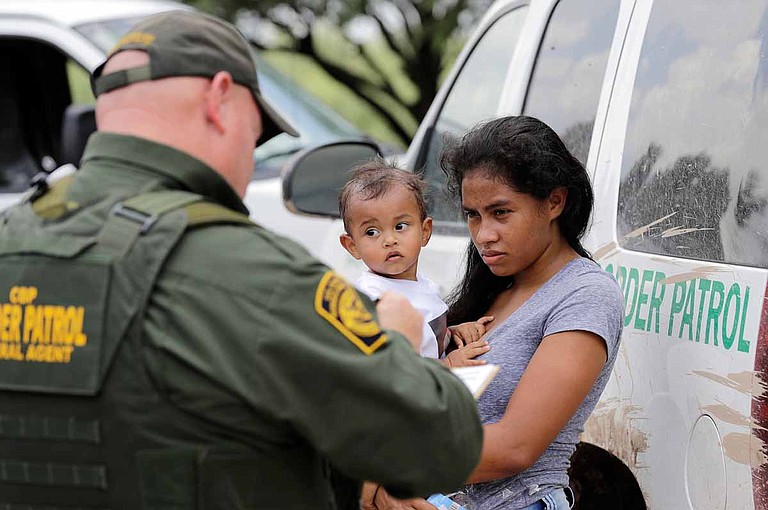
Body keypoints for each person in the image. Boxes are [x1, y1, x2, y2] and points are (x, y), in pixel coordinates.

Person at [0, 11, 483, 510]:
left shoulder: (11, 239)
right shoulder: (250, 270)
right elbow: (444, 444)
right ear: (219, 100)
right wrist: (397, 349)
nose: (250, 163)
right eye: (254, 137)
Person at [367, 116, 624, 510]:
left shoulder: (584, 294)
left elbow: (515, 447)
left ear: (555, 201)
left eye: (501, 212)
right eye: (473, 215)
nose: (484, 234)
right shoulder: (490, 289)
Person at [338, 160, 492, 367]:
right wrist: (448, 364)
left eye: (400, 226)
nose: (389, 240)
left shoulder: (422, 285)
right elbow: (393, 367)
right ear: (352, 245)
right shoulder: (373, 299)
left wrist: (452, 332)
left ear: (425, 231)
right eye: (372, 232)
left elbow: (424, 339)